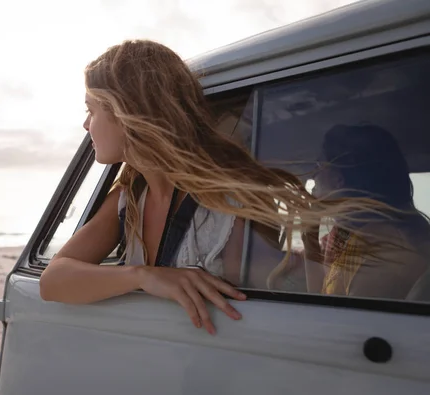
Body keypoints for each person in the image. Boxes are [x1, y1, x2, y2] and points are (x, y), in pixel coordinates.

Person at [39, 40, 388, 335]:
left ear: (126, 112)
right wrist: (144, 276)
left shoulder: (230, 201)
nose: (86, 125)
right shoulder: (128, 197)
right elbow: (52, 281)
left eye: (91, 110)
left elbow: (266, 321)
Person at [300, 124, 430, 298]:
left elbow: (323, 316)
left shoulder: (384, 259)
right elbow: (320, 298)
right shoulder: (354, 237)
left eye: (318, 165)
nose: (312, 176)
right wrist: (310, 234)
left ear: (338, 179)